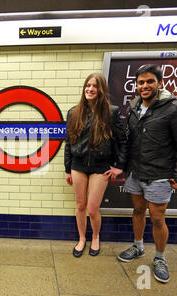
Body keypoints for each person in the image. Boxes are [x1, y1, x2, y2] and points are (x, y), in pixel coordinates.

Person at [117, 64, 177, 284]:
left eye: (149, 81)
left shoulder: (175, 108)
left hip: (159, 174)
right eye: (141, 82)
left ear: (159, 83)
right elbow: (130, 141)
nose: (144, 86)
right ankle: (138, 246)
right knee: (137, 210)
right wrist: (123, 168)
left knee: (158, 218)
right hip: (136, 172)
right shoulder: (133, 107)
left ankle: (160, 258)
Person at [65, 73, 128, 258]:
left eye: (94, 86)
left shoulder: (111, 112)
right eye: (88, 85)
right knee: (80, 205)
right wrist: (67, 169)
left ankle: (96, 237)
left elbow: (122, 141)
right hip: (78, 165)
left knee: (92, 208)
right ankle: (82, 239)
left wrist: (120, 166)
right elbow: (69, 142)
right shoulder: (73, 112)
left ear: (101, 90)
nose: (90, 89)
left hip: (101, 166)